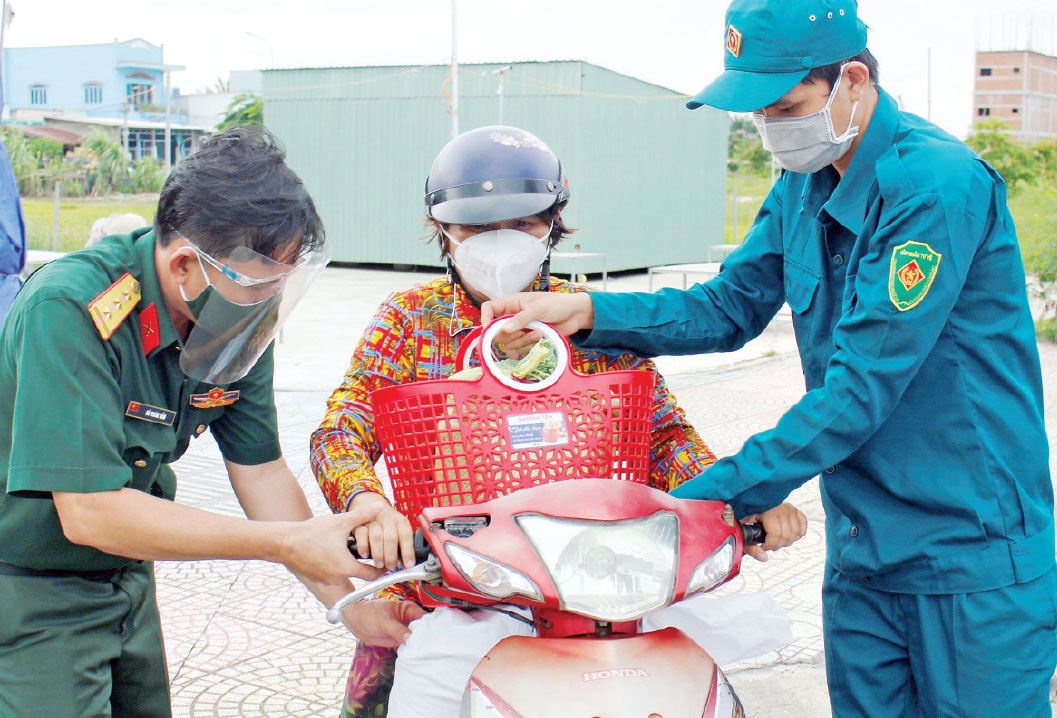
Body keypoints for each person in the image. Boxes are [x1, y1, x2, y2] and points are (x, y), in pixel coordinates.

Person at [483, 2, 1057, 717]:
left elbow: (857, 392)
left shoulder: (935, 185)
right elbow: (727, 307)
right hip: (865, 550)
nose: (771, 131)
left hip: (969, 555)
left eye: (785, 107)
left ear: (852, 78)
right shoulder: (801, 185)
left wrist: (696, 500)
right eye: (756, 114)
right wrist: (592, 313)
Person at [310, 124, 807, 717]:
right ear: (442, 229)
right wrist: (367, 502)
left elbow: (666, 435)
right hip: (457, 580)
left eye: (522, 224)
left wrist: (739, 499)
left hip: (595, 582)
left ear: (554, 220)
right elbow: (342, 426)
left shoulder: (592, 319)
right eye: (476, 226)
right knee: (387, 683)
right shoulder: (411, 321)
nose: (501, 241)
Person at [0, 126, 386, 718]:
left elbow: (260, 471)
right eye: (260, 282)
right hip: (28, 583)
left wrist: (353, 603)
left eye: (280, 283)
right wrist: (286, 546)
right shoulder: (71, 309)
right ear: (185, 264)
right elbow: (90, 511)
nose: (269, 301)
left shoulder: (236, 317)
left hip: (125, 573)